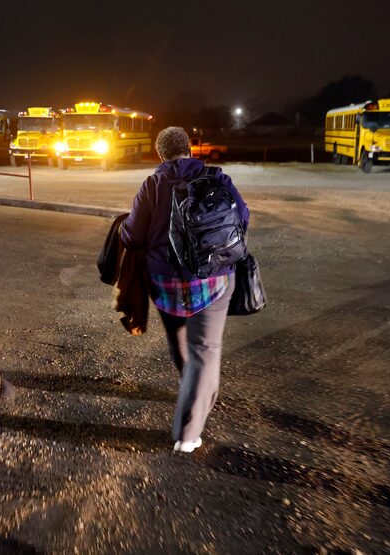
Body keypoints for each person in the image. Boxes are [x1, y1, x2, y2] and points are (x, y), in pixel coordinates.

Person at [121, 127, 249, 453]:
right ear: (189, 149)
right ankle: (188, 433)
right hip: (212, 280)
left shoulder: (152, 185)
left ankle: (192, 386)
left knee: (179, 341)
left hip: (164, 285)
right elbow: (241, 218)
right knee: (205, 349)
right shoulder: (217, 179)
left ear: (160, 154)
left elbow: (133, 235)